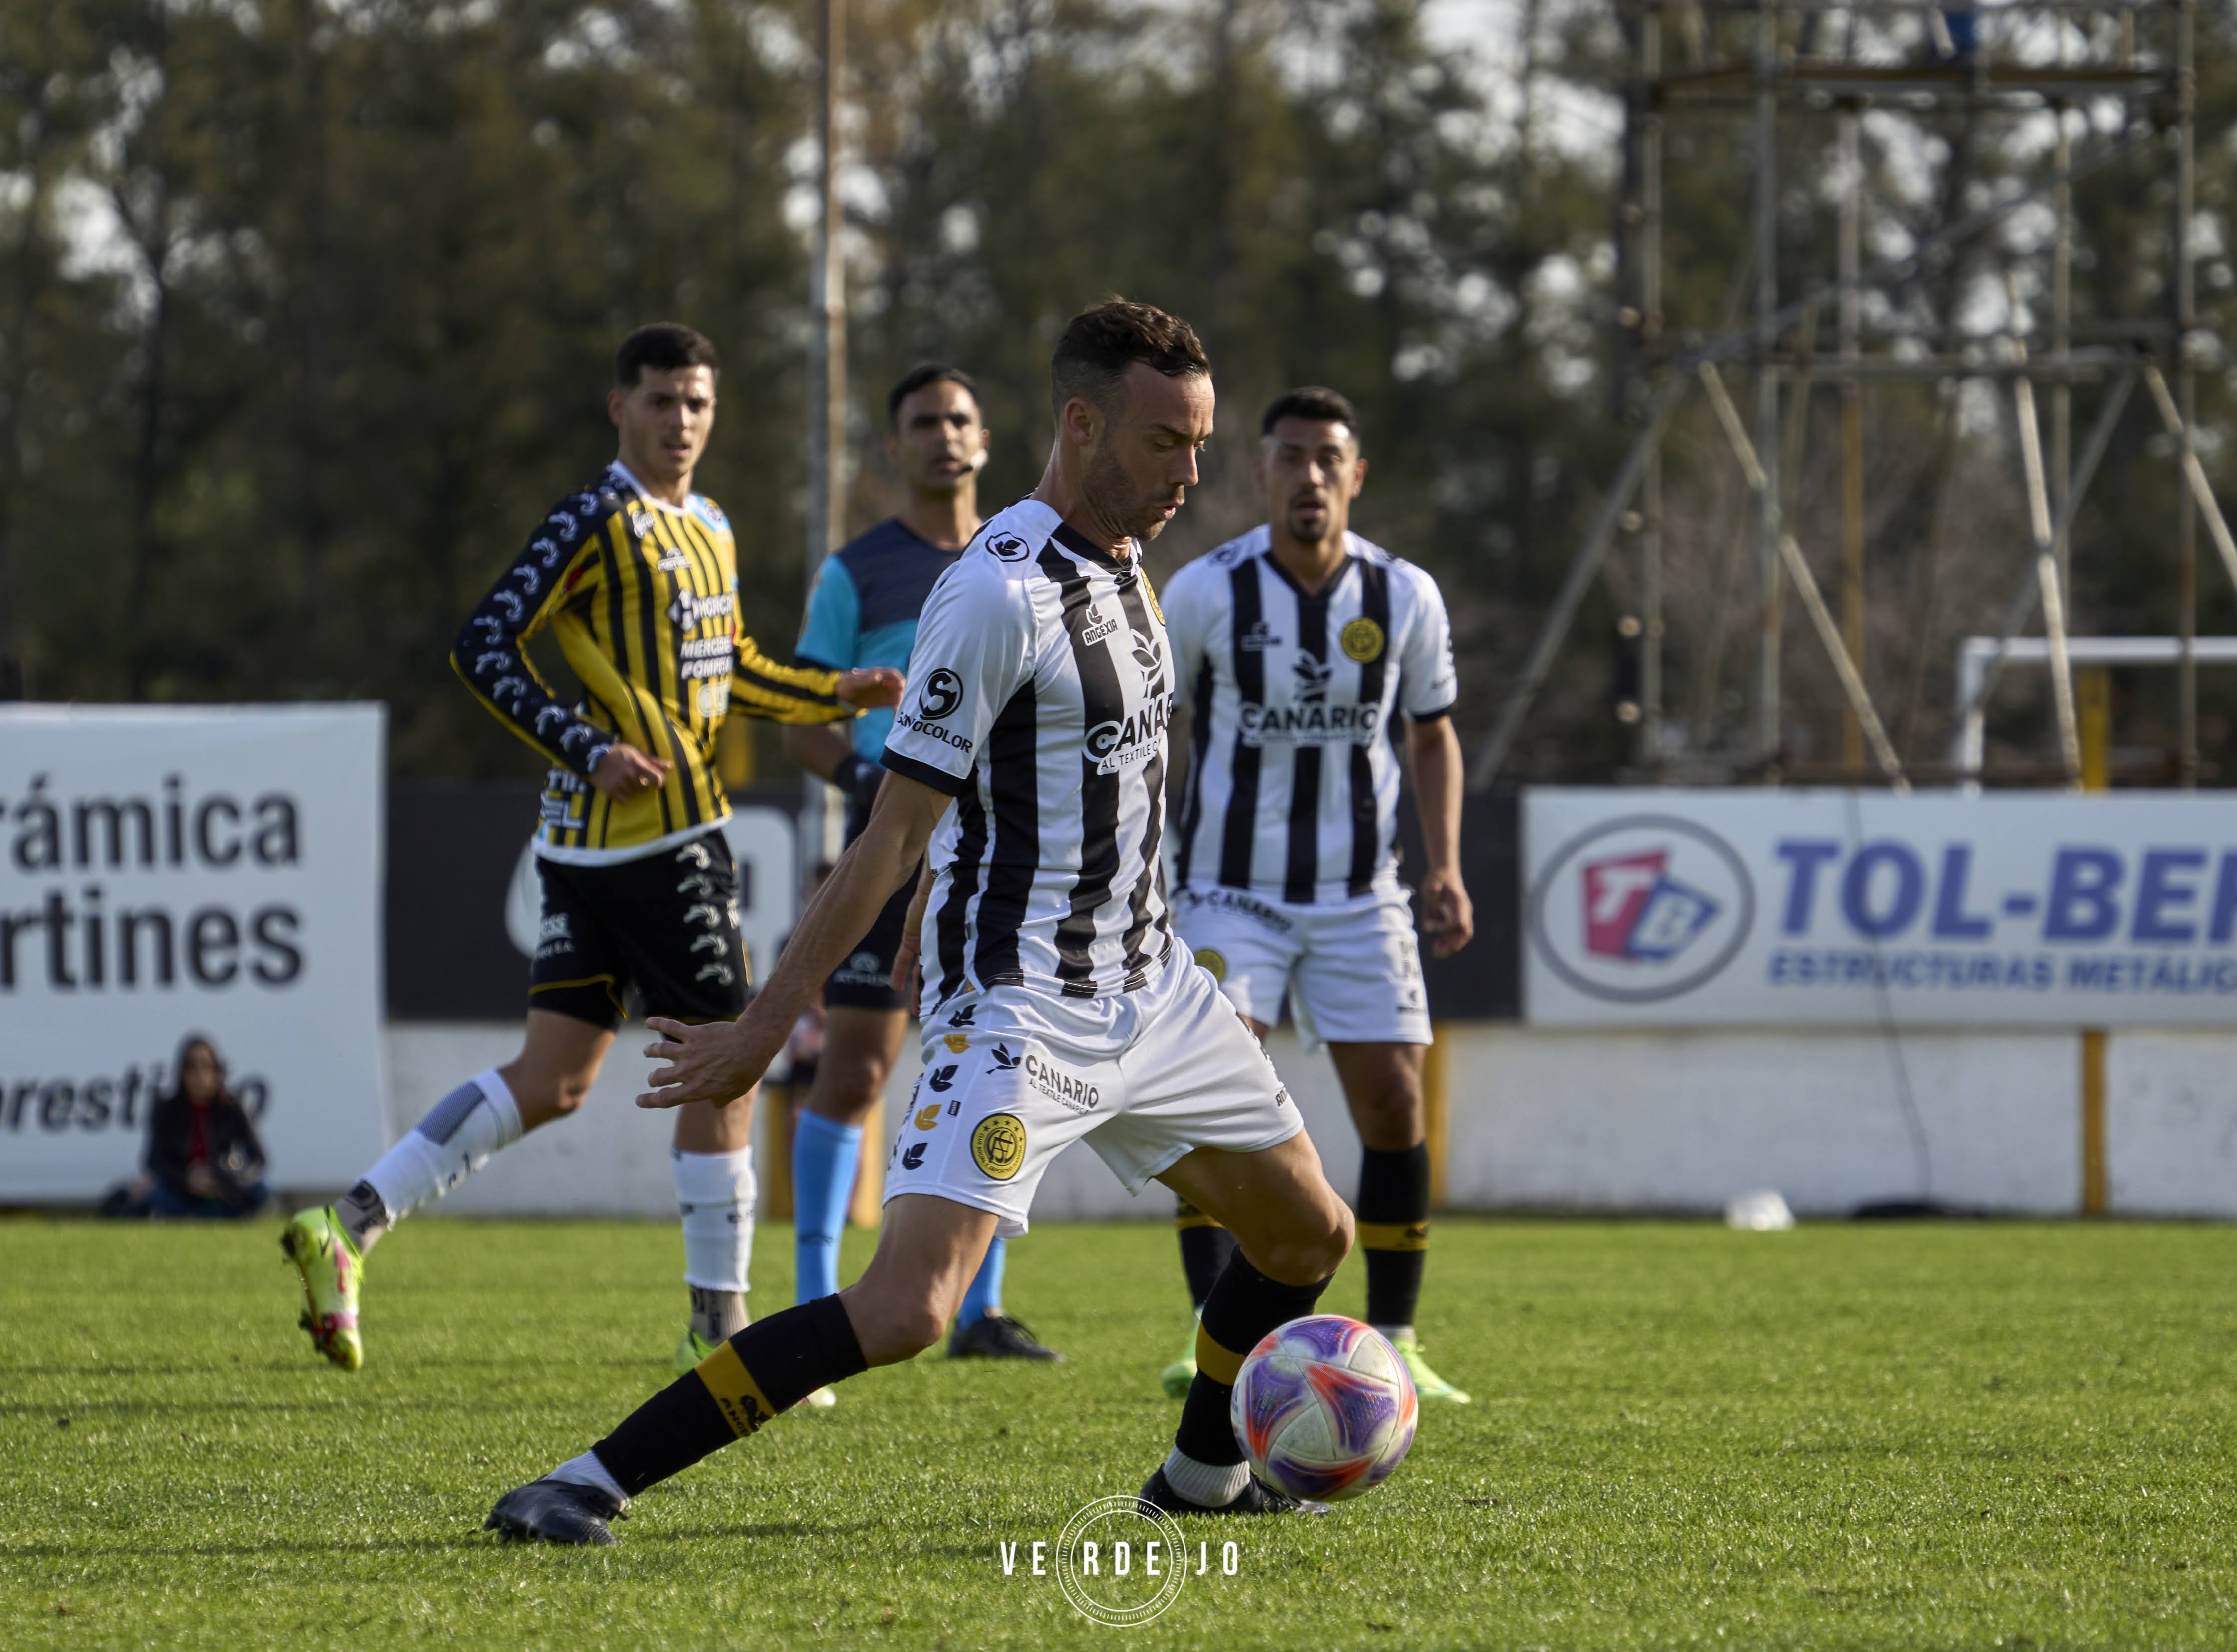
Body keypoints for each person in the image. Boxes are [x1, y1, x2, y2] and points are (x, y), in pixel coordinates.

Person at [482, 299, 1357, 1546]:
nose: (1191, 471)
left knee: (1306, 1232)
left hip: (1154, 986)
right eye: (1166, 441)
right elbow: (887, 827)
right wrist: (758, 1026)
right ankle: (582, 1479)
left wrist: (953, 871)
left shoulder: (1126, 565)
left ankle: (1202, 1473)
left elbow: (1026, 782)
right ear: (1080, 423)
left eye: (1201, 441)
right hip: (1020, 1002)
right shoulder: (994, 593)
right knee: (907, 1309)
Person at [281, 324, 901, 1375]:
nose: (681, 421)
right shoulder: (595, 518)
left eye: (697, 402)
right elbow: (483, 641)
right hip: (663, 835)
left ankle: (348, 1225)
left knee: (555, 1074)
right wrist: (586, 743)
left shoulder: (707, 520)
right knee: (727, 1073)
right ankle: (722, 1331)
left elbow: (730, 667)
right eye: (660, 401)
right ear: (620, 407)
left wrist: (833, 691)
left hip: (587, 848)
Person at [1157, 385, 1474, 1404]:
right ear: (1261, 472)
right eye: (1289, 457)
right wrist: (1143, 861)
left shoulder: (1402, 595)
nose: (1308, 476)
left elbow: (1430, 729)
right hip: (1224, 887)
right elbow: (1152, 727)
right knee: (1215, 1085)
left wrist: (1445, 861)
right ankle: (1213, 1331)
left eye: (1326, 458)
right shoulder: (1205, 590)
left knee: (1390, 1099)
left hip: (1359, 891)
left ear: (1355, 473)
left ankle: (1395, 1334)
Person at [782, 363, 1060, 1377]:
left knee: (995, 1065)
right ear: (892, 449)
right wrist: (869, 773)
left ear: (985, 439)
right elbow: (805, 720)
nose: (944, 435)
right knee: (856, 1068)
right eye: (922, 423)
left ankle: (982, 1308)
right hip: (894, 841)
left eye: (959, 418)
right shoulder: (854, 572)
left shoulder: (1026, 556)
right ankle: (815, 1299)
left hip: (996, 851)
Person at [111, 1035, 269, 1218]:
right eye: (192, 1068)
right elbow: (154, 1161)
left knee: (263, 1188)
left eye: (206, 1066)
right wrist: (188, 1179)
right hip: (182, 1190)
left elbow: (258, 1159)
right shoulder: (167, 1109)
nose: (200, 1075)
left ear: (217, 1071)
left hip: (224, 1189)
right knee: (153, 1192)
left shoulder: (233, 1107)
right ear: (182, 1073)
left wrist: (228, 1177)